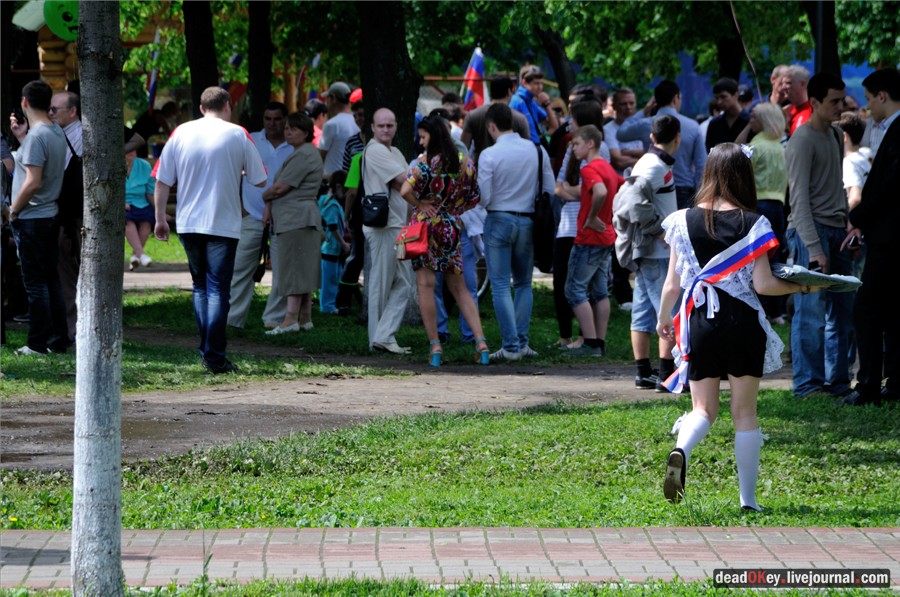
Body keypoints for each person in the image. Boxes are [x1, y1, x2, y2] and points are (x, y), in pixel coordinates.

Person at [657, 143, 815, 511]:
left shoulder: (681, 220)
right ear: (744, 177)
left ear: (709, 173)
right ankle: (748, 500)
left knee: (702, 410)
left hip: (701, 321)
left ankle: (682, 448)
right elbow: (763, 285)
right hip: (742, 322)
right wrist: (804, 286)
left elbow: (672, 284)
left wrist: (665, 318)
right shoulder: (755, 223)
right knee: (744, 413)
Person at [154, 86, 267, 374]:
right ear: (228, 105)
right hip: (223, 223)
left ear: (201, 108)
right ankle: (214, 355)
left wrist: (160, 219)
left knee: (200, 286)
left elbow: (162, 181)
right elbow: (260, 179)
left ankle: (207, 349)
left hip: (189, 221)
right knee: (218, 289)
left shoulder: (180, 133)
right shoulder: (238, 134)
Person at [400, 115, 491, 366]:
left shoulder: (423, 164)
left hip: (425, 228)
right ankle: (481, 344)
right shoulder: (465, 163)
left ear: (434, 136)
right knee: (460, 288)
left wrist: (421, 205)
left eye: (423, 137)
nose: (421, 142)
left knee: (426, 286)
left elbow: (404, 191)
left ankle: (435, 347)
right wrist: (452, 210)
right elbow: (475, 197)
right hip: (451, 228)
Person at [784, 72, 853, 398]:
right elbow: (798, 201)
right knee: (810, 314)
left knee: (842, 312)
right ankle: (808, 385)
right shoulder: (801, 140)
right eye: (833, 101)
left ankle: (837, 383)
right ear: (813, 103)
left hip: (837, 232)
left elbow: (835, 188)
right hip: (809, 234)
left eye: (842, 100)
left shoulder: (835, 136)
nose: (841, 106)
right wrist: (814, 247)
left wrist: (850, 225)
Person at [842, 68, 900, 406]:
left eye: (868, 98)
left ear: (882, 95)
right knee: (892, 311)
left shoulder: (897, 132)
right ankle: (893, 382)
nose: (866, 107)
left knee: (866, 309)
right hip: (888, 236)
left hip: (889, 238)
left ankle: (867, 385)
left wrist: (858, 216)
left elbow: (889, 188)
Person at [478, 103, 554, 361]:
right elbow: (550, 190)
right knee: (523, 284)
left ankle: (510, 346)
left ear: (491, 126)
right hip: (528, 221)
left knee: (500, 285)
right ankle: (521, 342)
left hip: (498, 218)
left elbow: (484, 197)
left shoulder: (488, 154)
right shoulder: (536, 150)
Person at [614, 115, 681, 391]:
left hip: (649, 253)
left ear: (652, 138)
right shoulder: (653, 166)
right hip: (657, 253)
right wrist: (660, 230)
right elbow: (630, 202)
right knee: (667, 311)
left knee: (642, 314)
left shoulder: (648, 162)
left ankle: (643, 373)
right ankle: (668, 375)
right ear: (678, 138)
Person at [5, 80, 69, 356]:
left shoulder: (37, 137)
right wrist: (21, 138)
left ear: (24, 103)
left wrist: (13, 210)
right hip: (49, 213)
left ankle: (36, 343)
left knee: (35, 282)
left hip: (31, 217)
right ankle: (57, 339)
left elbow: (32, 181)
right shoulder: (55, 131)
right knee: (50, 279)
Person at [227, 101, 291, 330]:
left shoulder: (294, 144)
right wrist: (240, 206)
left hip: (283, 216)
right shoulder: (250, 139)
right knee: (240, 268)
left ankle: (273, 318)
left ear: (285, 120)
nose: (272, 123)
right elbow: (233, 171)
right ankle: (233, 320)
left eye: (277, 119)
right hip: (251, 215)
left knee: (282, 270)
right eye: (268, 118)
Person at [262, 112, 325, 335]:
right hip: (297, 218)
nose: (288, 132)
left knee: (294, 269)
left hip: (296, 218)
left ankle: (290, 320)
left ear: (306, 133)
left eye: (294, 129)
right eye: (287, 127)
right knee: (303, 268)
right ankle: (305, 317)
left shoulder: (304, 154)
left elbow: (281, 187)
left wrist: (264, 197)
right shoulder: (303, 153)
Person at [562, 125, 621, 357]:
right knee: (599, 292)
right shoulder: (607, 167)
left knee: (574, 290)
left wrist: (593, 216)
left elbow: (600, 192)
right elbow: (622, 187)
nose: (573, 149)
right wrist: (609, 217)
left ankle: (591, 344)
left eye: (575, 144)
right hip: (606, 237)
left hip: (589, 238)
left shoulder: (589, 169)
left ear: (590, 143)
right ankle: (599, 342)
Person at [363, 108, 415, 354]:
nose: (385, 129)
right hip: (383, 226)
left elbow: (408, 182)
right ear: (372, 127)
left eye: (390, 125)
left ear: (396, 127)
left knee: (404, 282)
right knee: (381, 284)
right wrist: (421, 170)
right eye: (381, 125)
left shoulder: (394, 151)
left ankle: (383, 336)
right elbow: (405, 180)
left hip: (397, 225)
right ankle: (378, 338)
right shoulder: (374, 150)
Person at [617, 80, 706, 209]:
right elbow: (701, 165)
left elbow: (621, 133)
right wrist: (700, 197)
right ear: (676, 97)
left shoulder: (645, 124)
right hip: (683, 191)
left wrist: (643, 111)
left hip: (652, 187)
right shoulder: (692, 126)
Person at [746, 102, 789, 324]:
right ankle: (777, 310)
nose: (750, 120)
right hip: (778, 207)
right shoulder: (779, 147)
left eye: (753, 117)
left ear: (762, 120)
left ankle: (760, 306)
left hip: (758, 206)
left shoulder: (756, 146)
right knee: (776, 256)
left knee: (756, 258)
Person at [460, 75, 531, 164]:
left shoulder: (472, 115)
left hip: (480, 170)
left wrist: (463, 167)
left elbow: (462, 148)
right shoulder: (520, 118)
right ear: (509, 91)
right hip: (510, 172)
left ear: (491, 92)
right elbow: (528, 149)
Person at [318, 171, 350, 315]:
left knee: (331, 277)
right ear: (338, 186)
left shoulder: (324, 199)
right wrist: (343, 243)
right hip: (330, 247)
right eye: (345, 188)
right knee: (330, 280)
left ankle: (329, 304)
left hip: (330, 248)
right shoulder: (332, 204)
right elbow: (332, 226)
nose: (347, 192)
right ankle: (327, 307)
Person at [509, 64, 560, 146]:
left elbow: (554, 126)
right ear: (524, 82)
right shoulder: (516, 102)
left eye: (541, 83)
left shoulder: (531, 102)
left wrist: (547, 104)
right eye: (536, 83)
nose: (540, 87)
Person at [319, 81, 360, 181]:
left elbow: (320, 156)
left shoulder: (331, 124)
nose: (326, 102)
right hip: (353, 179)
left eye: (327, 98)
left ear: (334, 98)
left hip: (334, 181)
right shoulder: (358, 122)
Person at [124, 149, 156, 270]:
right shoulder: (114, 164)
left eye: (133, 149)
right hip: (123, 202)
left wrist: (159, 210)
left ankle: (135, 256)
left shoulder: (144, 165)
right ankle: (142, 255)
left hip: (141, 202)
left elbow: (150, 191)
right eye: (128, 149)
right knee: (128, 220)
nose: (131, 151)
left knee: (147, 219)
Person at [604, 88, 645, 176]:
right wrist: (646, 160)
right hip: (622, 183)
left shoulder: (643, 125)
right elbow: (619, 161)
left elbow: (653, 152)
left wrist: (625, 152)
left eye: (631, 103)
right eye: (623, 104)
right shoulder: (608, 130)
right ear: (614, 106)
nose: (628, 107)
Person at [705, 78, 750, 151]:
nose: (719, 102)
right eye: (716, 98)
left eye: (723, 97)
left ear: (736, 95)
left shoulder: (749, 121)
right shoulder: (714, 124)